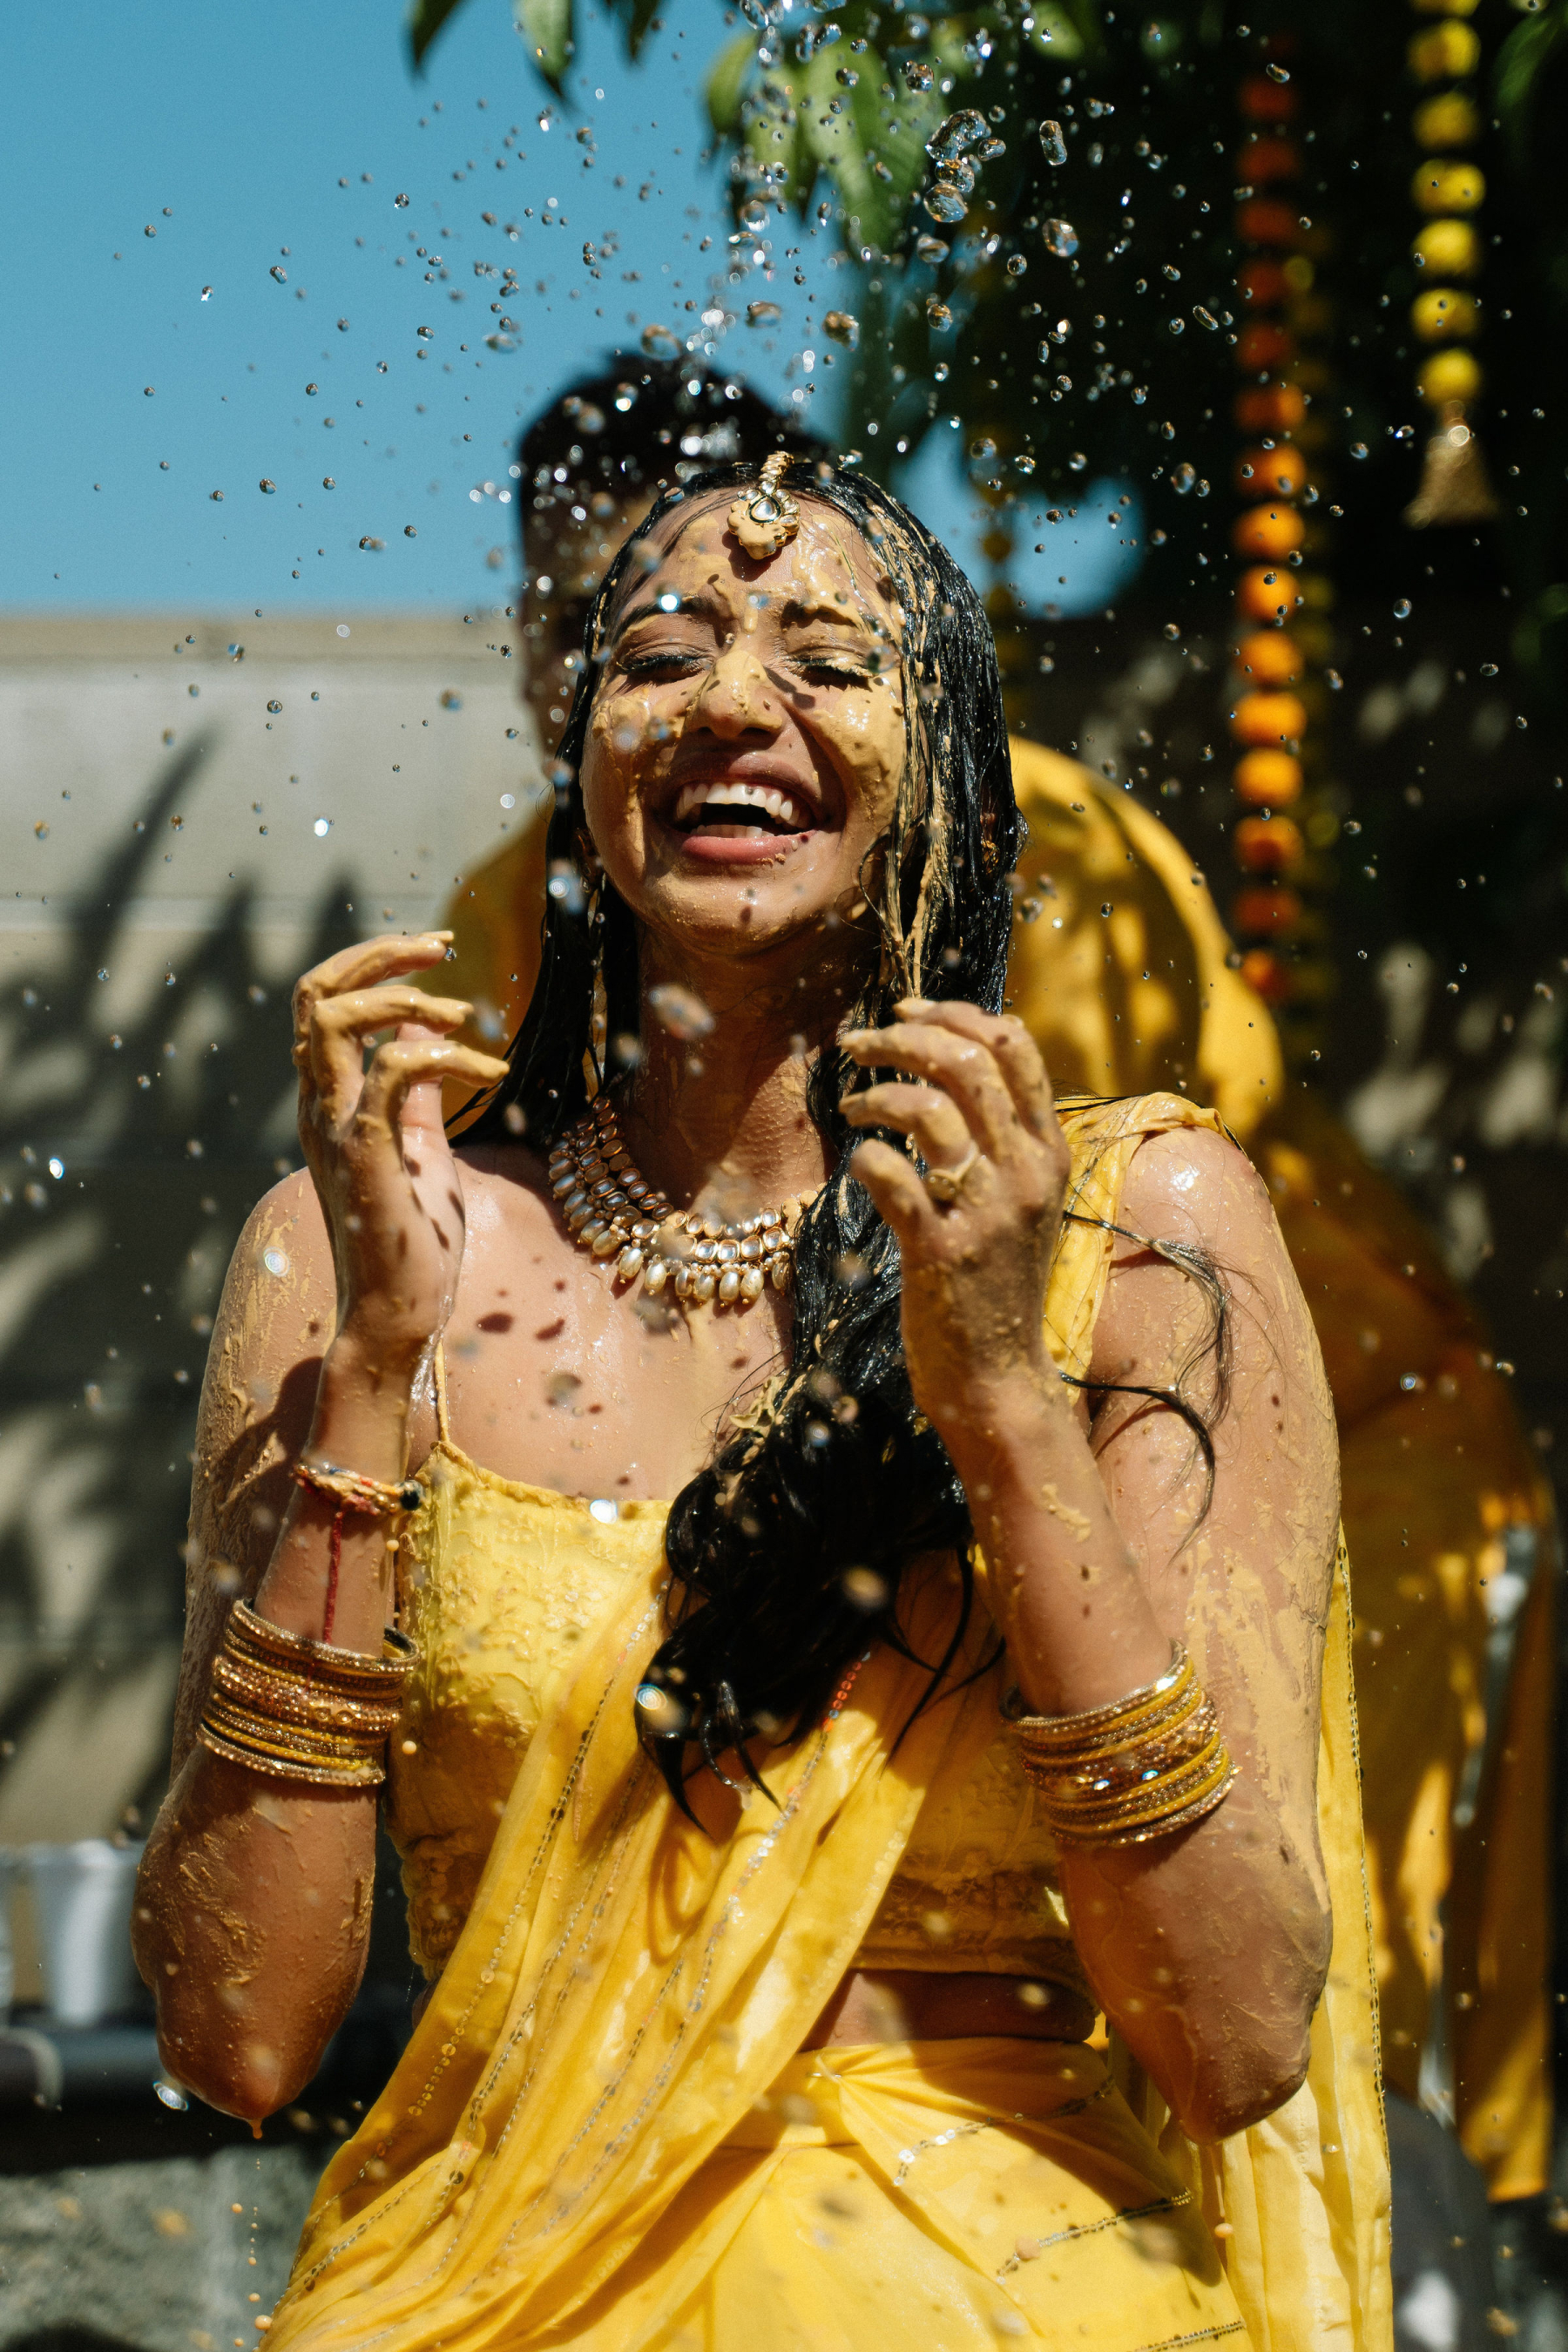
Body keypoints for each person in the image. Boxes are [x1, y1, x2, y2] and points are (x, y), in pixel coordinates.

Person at [133, 453, 1388, 2349]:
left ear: (947, 778)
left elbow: (1231, 2036)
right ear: (584, 765)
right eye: (662, 653)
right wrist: (377, 1383)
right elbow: (236, 2038)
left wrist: (1003, 1412)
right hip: (485, 2287)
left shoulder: (1130, 1234)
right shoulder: (359, 1251)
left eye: (829, 657)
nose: (733, 704)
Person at [450, 359, 1553, 2211]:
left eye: (797, 641)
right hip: (889, 1530)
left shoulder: (1035, 859)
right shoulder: (523, 899)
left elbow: (1050, 1303)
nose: (720, 703)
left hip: (1306, 1487)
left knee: (1331, 2117)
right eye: (607, 628)